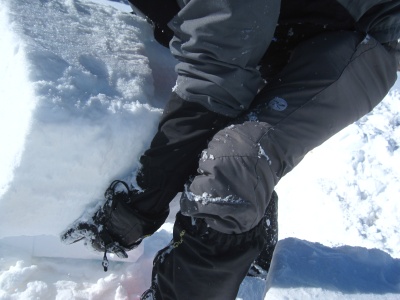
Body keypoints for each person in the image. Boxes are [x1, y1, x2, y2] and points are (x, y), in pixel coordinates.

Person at [61, 0, 400, 299]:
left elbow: (216, 74)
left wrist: (140, 203)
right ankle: (248, 272)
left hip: (352, 39)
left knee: (234, 164)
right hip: (270, 37)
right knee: (210, 139)